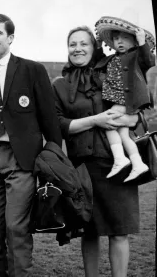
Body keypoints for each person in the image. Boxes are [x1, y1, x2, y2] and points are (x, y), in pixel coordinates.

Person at [0, 13, 62, 277]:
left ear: (10, 38)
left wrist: (54, 160)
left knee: (16, 227)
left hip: (21, 161)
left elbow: (50, 121)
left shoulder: (32, 70)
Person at [52, 26, 141, 277]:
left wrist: (123, 120)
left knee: (119, 230)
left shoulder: (114, 74)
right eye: (72, 44)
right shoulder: (59, 85)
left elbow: (136, 115)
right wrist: (96, 120)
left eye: (83, 43)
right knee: (88, 231)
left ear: (94, 47)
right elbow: (58, 125)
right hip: (82, 167)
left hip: (118, 162)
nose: (77, 48)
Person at [95, 16, 155, 182]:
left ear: (135, 41)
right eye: (115, 39)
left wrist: (142, 43)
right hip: (118, 101)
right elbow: (98, 62)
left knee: (108, 123)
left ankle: (120, 158)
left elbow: (149, 61)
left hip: (125, 101)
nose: (119, 42)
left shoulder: (136, 56)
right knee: (123, 135)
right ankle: (137, 163)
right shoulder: (113, 58)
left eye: (124, 38)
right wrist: (99, 46)